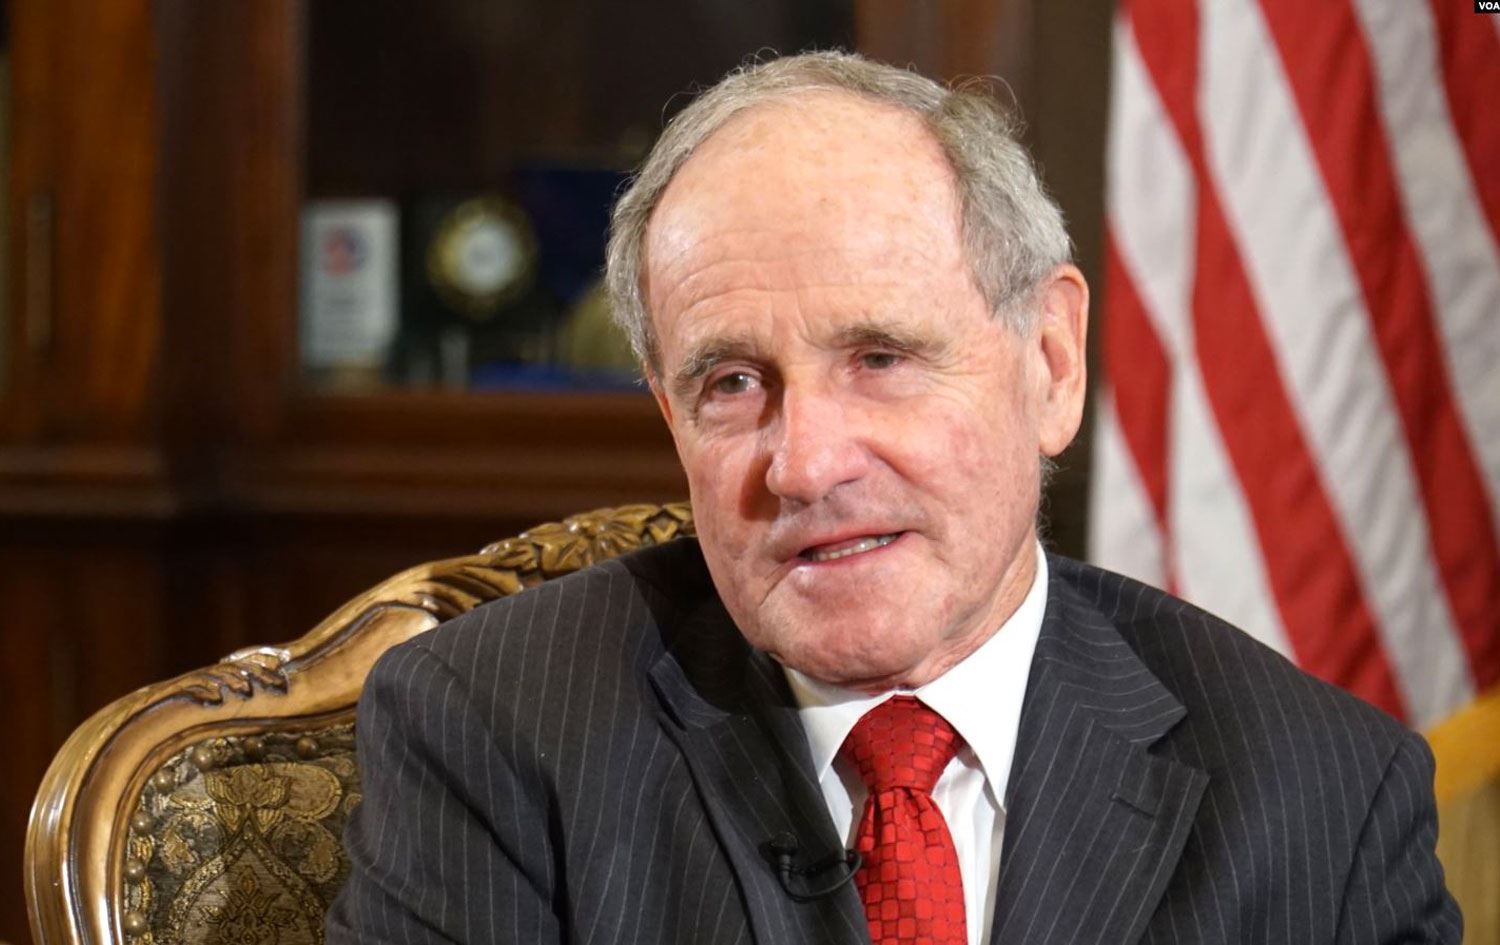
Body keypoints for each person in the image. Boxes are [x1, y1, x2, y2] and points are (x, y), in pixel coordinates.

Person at [327, 51, 1461, 944]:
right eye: (732, 384)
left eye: (881, 358)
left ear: (1051, 362)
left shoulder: (1324, 793)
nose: (807, 464)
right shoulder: (492, 734)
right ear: (672, 421)